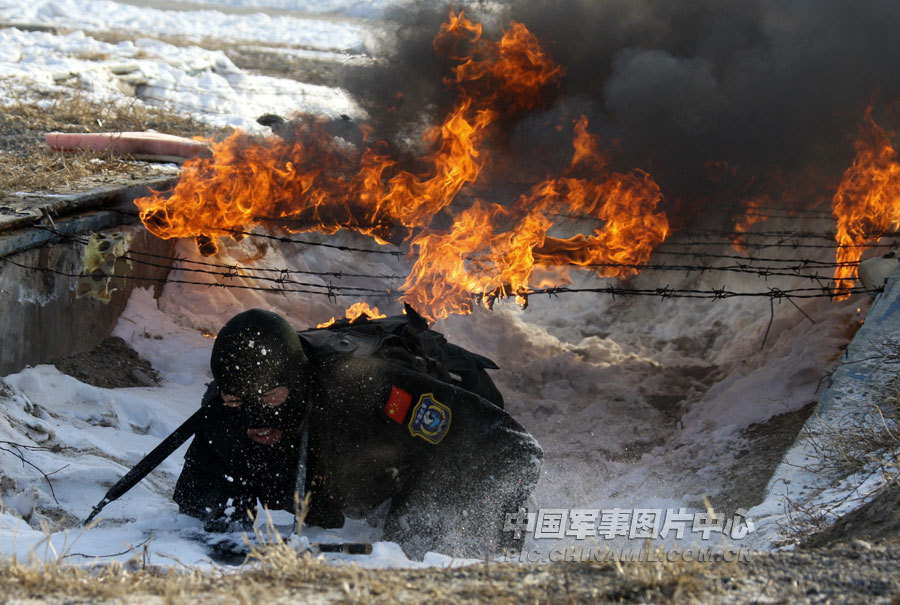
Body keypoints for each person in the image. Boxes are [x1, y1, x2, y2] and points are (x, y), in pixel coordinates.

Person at [173, 306, 542, 559]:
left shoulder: (364, 390)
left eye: (272, 397)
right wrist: (231, 531)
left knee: (413, 551)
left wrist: (499, 544)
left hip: (422, 455)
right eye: (238, 400)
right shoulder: (222, 410)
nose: (254, 419)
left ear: (299, 384)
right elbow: (201, 497)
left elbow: (514, 448)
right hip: (345, 482)